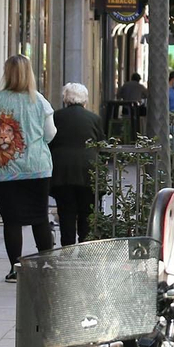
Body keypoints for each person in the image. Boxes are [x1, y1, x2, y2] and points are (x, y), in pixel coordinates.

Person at [0, 55, 56, 281]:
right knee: (39, 217)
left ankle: (15, 267)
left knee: (11, 220)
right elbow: (50, 133)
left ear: (7, 73)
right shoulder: (39, 100)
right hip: (37, 168)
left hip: (5, 170)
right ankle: (46, 267)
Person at [49, 83, 105, 246]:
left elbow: (49, 141)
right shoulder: (94, 119)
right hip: (88, 171)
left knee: (66, 211)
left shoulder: (56, 117)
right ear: (85, 100)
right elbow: (102, 145)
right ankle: (84, 245)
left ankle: (67, 246)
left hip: (62, 172)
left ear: (65, 99)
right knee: (86, 211)